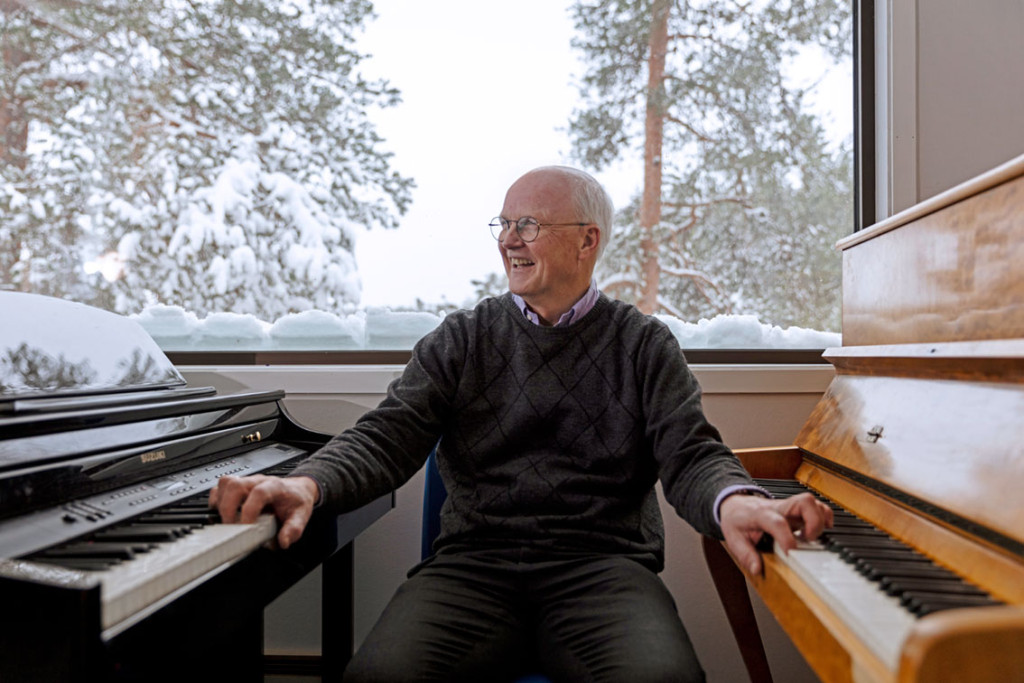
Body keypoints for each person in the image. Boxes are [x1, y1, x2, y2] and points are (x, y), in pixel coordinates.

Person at [210, 166, 832, 682]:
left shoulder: (644, 344)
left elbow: (690, 453)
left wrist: (736, 503)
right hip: (472, 569)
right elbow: (387, 435)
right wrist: (308, 484)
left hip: (603, 571)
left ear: (587, 241)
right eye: (503, 224)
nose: (508, 239)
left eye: (528, 225)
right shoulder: (463, 338)